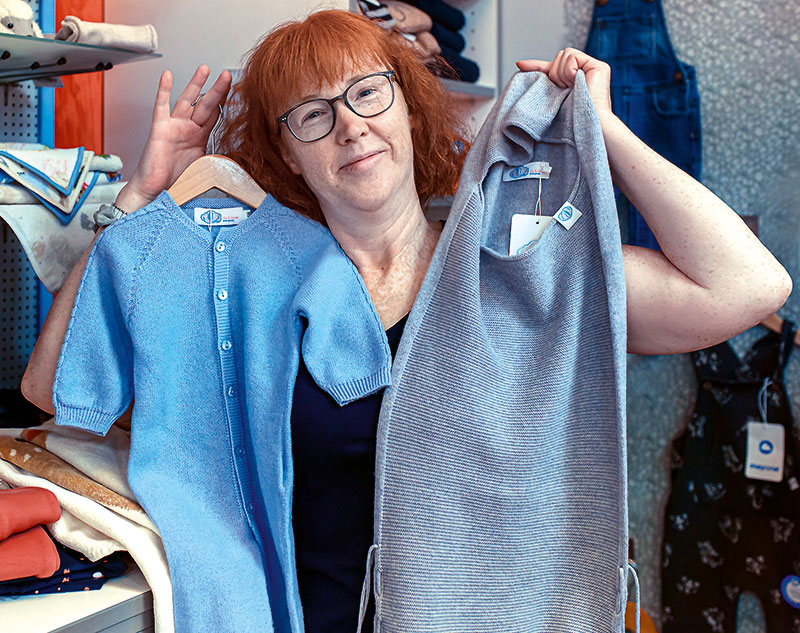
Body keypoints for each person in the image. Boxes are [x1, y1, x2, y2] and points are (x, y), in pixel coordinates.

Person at [21, 9, 791, 632]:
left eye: (367, 93)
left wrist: (604, 132)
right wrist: (136, 205)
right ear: (286, 154)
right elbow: (51, 386)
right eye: (312, 114)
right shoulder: (251, 286)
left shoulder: (519, 274)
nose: (350, 126)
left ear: (410, 109)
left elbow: (749, 285)